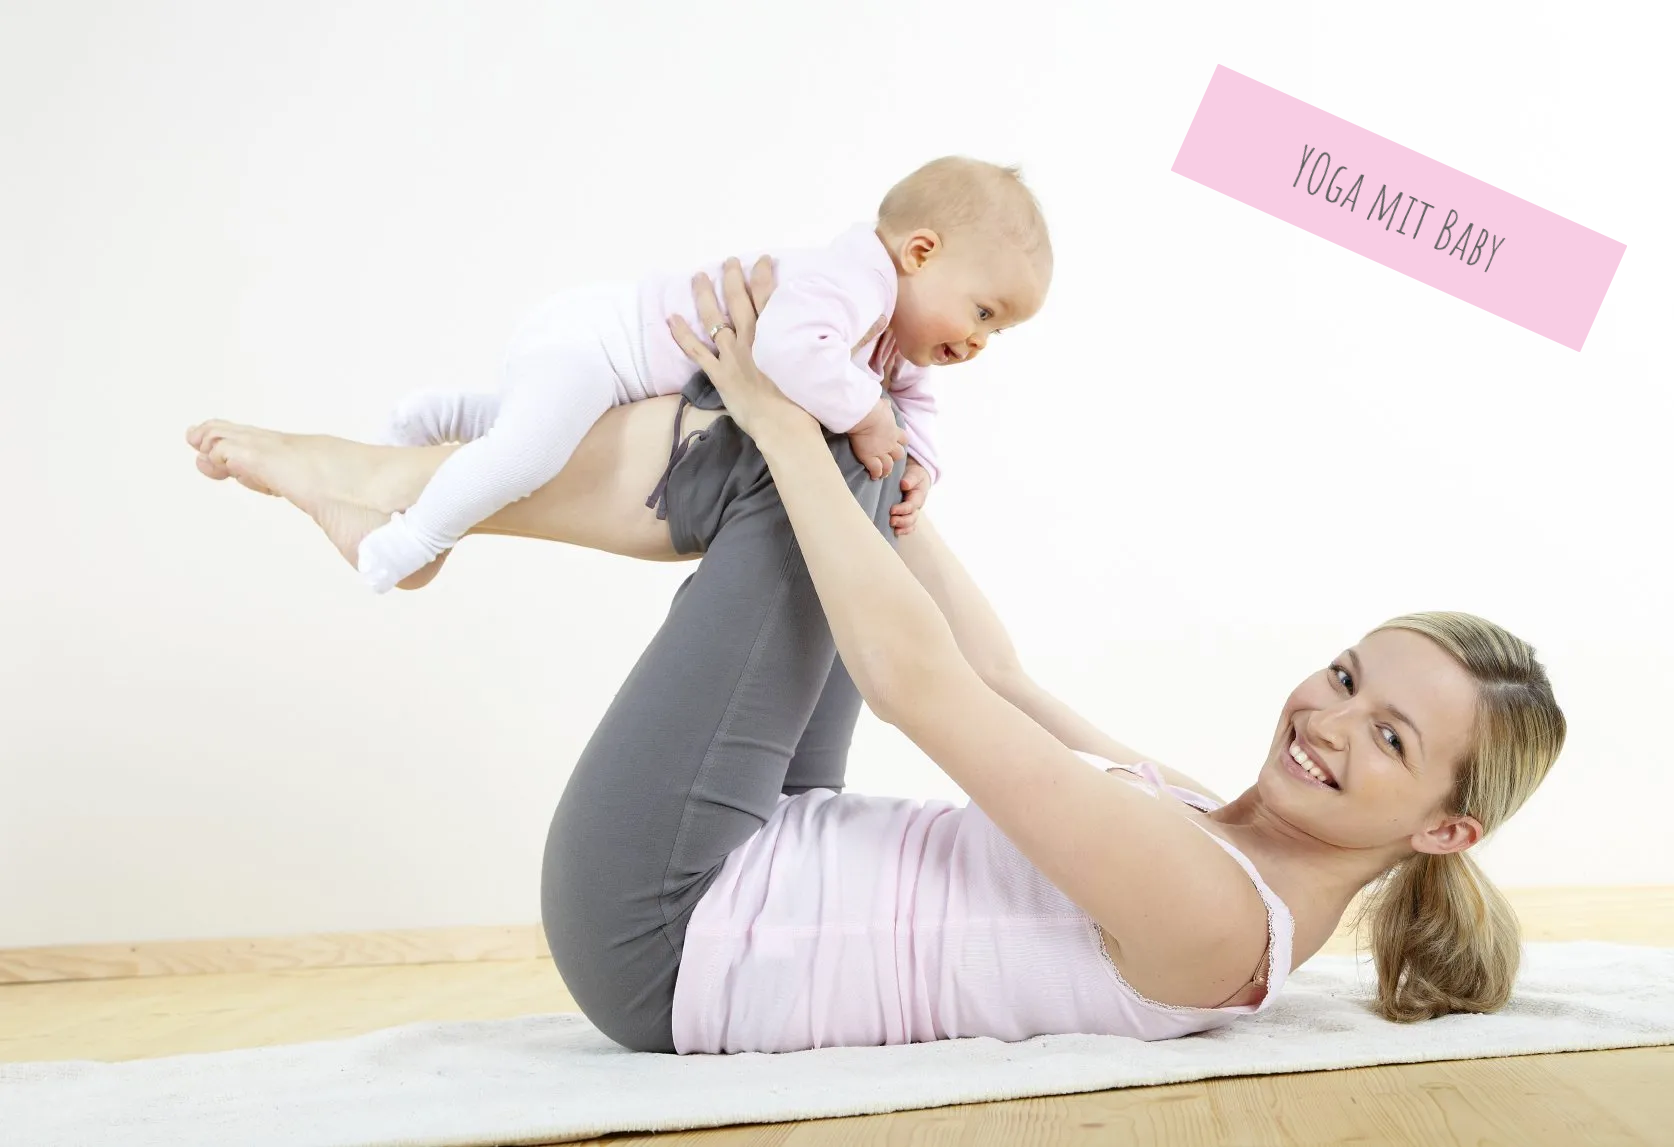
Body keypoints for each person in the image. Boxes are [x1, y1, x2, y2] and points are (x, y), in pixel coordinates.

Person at [186, 259, 1564, 1055]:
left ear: (1445, 823)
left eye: (1387, 736)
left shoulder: (1215, 918)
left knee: (784, 468)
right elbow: (1005, 677)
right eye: (1344, 674)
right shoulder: (1217, 828)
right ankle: (410, 497)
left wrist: (794, 425)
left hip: (666, 927)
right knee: (834, 476)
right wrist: (885, 471)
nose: (1327, 718)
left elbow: (924, 690)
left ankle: (400, 495)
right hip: (766, 850)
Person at [353, 156, 1052, 593]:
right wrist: (868, 417)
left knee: (552, 430)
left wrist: (920, 463)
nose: (981, 340)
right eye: (983, 311)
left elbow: (911, 403)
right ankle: (414, 539)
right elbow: (790, 350)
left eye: (999, 329)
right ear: (920, 252)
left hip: (612, 371)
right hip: (600, 339)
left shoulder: (895, 337)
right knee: (532, 454)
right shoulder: (854, 279)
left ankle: (440, 414)